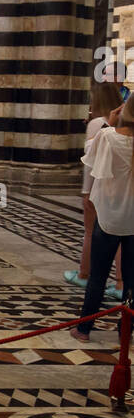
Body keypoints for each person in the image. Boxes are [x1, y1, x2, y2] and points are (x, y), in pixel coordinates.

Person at [72, 94, 134, 340]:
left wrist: (109, 122)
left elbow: (90, 155)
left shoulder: (109, 136)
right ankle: (126, 330)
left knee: (97, 275)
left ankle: (84, 328)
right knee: (131, 278)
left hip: (108, 216)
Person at [65, 82, 124, 297]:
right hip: (116, 189)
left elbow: (89, 161)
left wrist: (86, 191)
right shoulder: (124, 124)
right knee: (119, 238)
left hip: (95, 187)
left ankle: (84, 273)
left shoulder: (97, 124)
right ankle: (120, 283)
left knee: (90, 233)